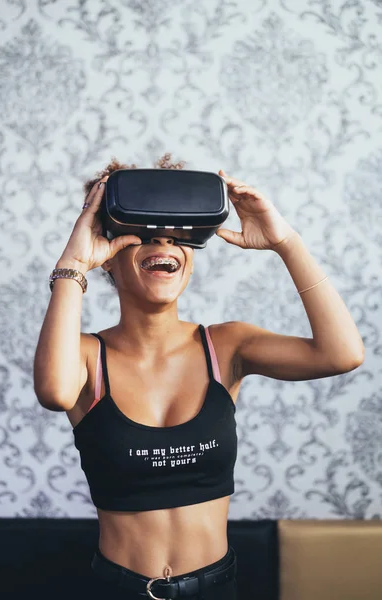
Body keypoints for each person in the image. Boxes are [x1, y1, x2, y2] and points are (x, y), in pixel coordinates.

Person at [34, 153, 365, 599]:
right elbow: (54, 392)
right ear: (108, 256)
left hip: (217, 588)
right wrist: (73, 262)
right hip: (118, 589)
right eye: (145, 236)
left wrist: (284, 240)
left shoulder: (226, 346)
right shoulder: (86, 356)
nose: (164, 246)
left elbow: (342, 355)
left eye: (180, 238)